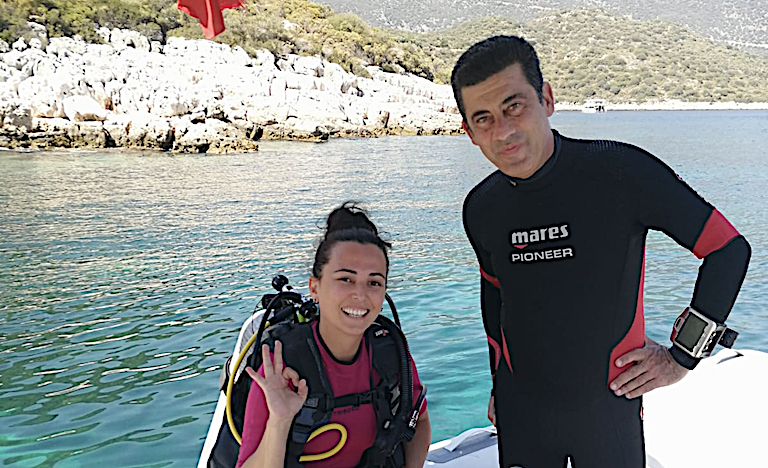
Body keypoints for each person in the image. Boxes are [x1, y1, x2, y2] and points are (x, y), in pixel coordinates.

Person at [451, 36, 751, 468]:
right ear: (469, 132)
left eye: (514, 105)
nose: (504, 131)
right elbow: (495, 299)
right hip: (523, 415)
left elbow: (727, 250)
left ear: (547, 99)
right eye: (483, 118)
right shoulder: (481, 207)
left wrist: (681, 357)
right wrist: (498, 385)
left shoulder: (621, 172)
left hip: (608, 411)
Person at [235, 202, 431, 468]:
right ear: (314, 287)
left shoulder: (389, 350)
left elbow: (418, 422)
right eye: (345, 279)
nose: (360, 294)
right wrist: (279, 421)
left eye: (374, 282)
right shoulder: (282, 362)